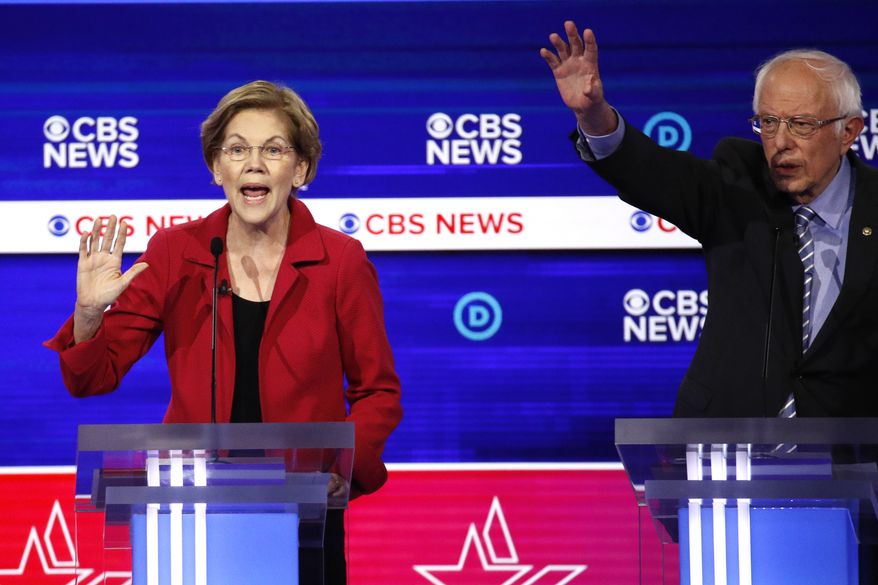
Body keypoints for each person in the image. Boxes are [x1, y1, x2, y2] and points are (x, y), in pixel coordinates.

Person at [45, 80, 403, 584]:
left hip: (303, 515)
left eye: (273, 149)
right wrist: (87, 313)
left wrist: (342, 470)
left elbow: (378, 391)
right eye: (236, 149)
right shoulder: (177, 253)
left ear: (299, 169)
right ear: (217, 168)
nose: (253, 163)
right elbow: (92, 377)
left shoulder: (339, 261)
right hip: (191, 512)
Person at [541, 21, 877, 419]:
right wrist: (596, 117)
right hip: (726, 447)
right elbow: (652, 173)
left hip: (852, 455)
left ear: (848, 131)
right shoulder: (737, 185)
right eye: (768, 123)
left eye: (801, 124)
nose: (781, 141)